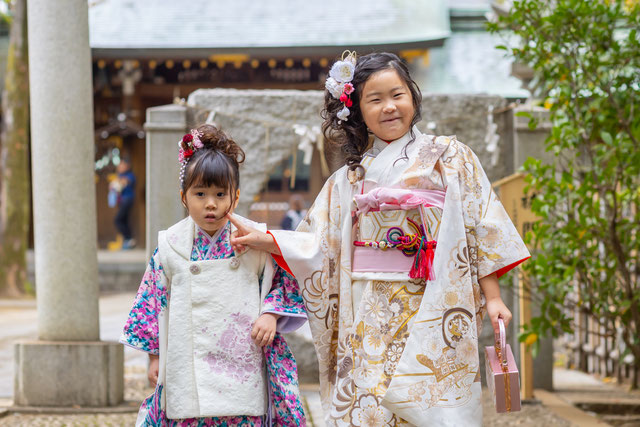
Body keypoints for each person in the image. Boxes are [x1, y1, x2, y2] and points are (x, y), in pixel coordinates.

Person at [228, 51, 530, 425]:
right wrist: (269, 239)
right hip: (368, 309)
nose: (389, 107)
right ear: (357, 111)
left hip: (432, 303)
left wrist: (494, 297)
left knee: (431, 402)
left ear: (413, 97)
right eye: (375, 99)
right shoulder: (349, 179)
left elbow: (480, 226)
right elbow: (317, 243)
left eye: (397, 94)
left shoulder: (452, 157)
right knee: (370, 403)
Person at [121, 124, 307, 426]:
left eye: (220, 193)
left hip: (242, 358)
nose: (211, 203)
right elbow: (152, 301)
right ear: (184, 197)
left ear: (235, 198)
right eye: (200, 193)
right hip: (186, 361)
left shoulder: (255, 240)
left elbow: (283, 282)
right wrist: (155, 356)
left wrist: (270, 315)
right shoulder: (170, 246)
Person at [113, 158, 136, 249]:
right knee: (124, 220)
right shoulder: (119, 175)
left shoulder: (130, 175)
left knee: (117, 220)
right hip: (122, 201)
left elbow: (123, 182)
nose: (120, 167)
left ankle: (129, 239)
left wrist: (116, 183)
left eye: (122, 165)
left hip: (127, 200)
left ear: (127, 166)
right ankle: (128, 241)